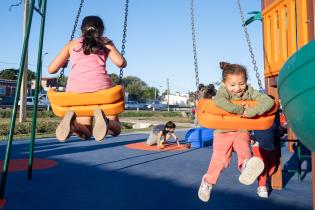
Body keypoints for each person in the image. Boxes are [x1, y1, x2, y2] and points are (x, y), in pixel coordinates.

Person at [198, 61, 275, 202]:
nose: (238, 88)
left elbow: (268, 102)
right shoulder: (223, 92)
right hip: (223, 131)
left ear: (246, 81)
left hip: (241, 129)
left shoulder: (249, 91)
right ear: (224, 83)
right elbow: (220, 102)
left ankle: (246, 166)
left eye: (241, 83)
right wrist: (241, 110)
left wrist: (251, 111)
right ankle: (208, 182)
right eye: (232, 85)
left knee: (243, 148)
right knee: (220, 160)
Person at [48, 16, 127, 142]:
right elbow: (121, 62)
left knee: (86, 133)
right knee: (115, 129)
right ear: (102, 30)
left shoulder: (72, 44)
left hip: (76, 93)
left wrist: (65, 61)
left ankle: (73, 125)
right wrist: (110, 46)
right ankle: (106, 122)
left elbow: (51, 70)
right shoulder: (104, 42)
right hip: (103, 93)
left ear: (82, 29)